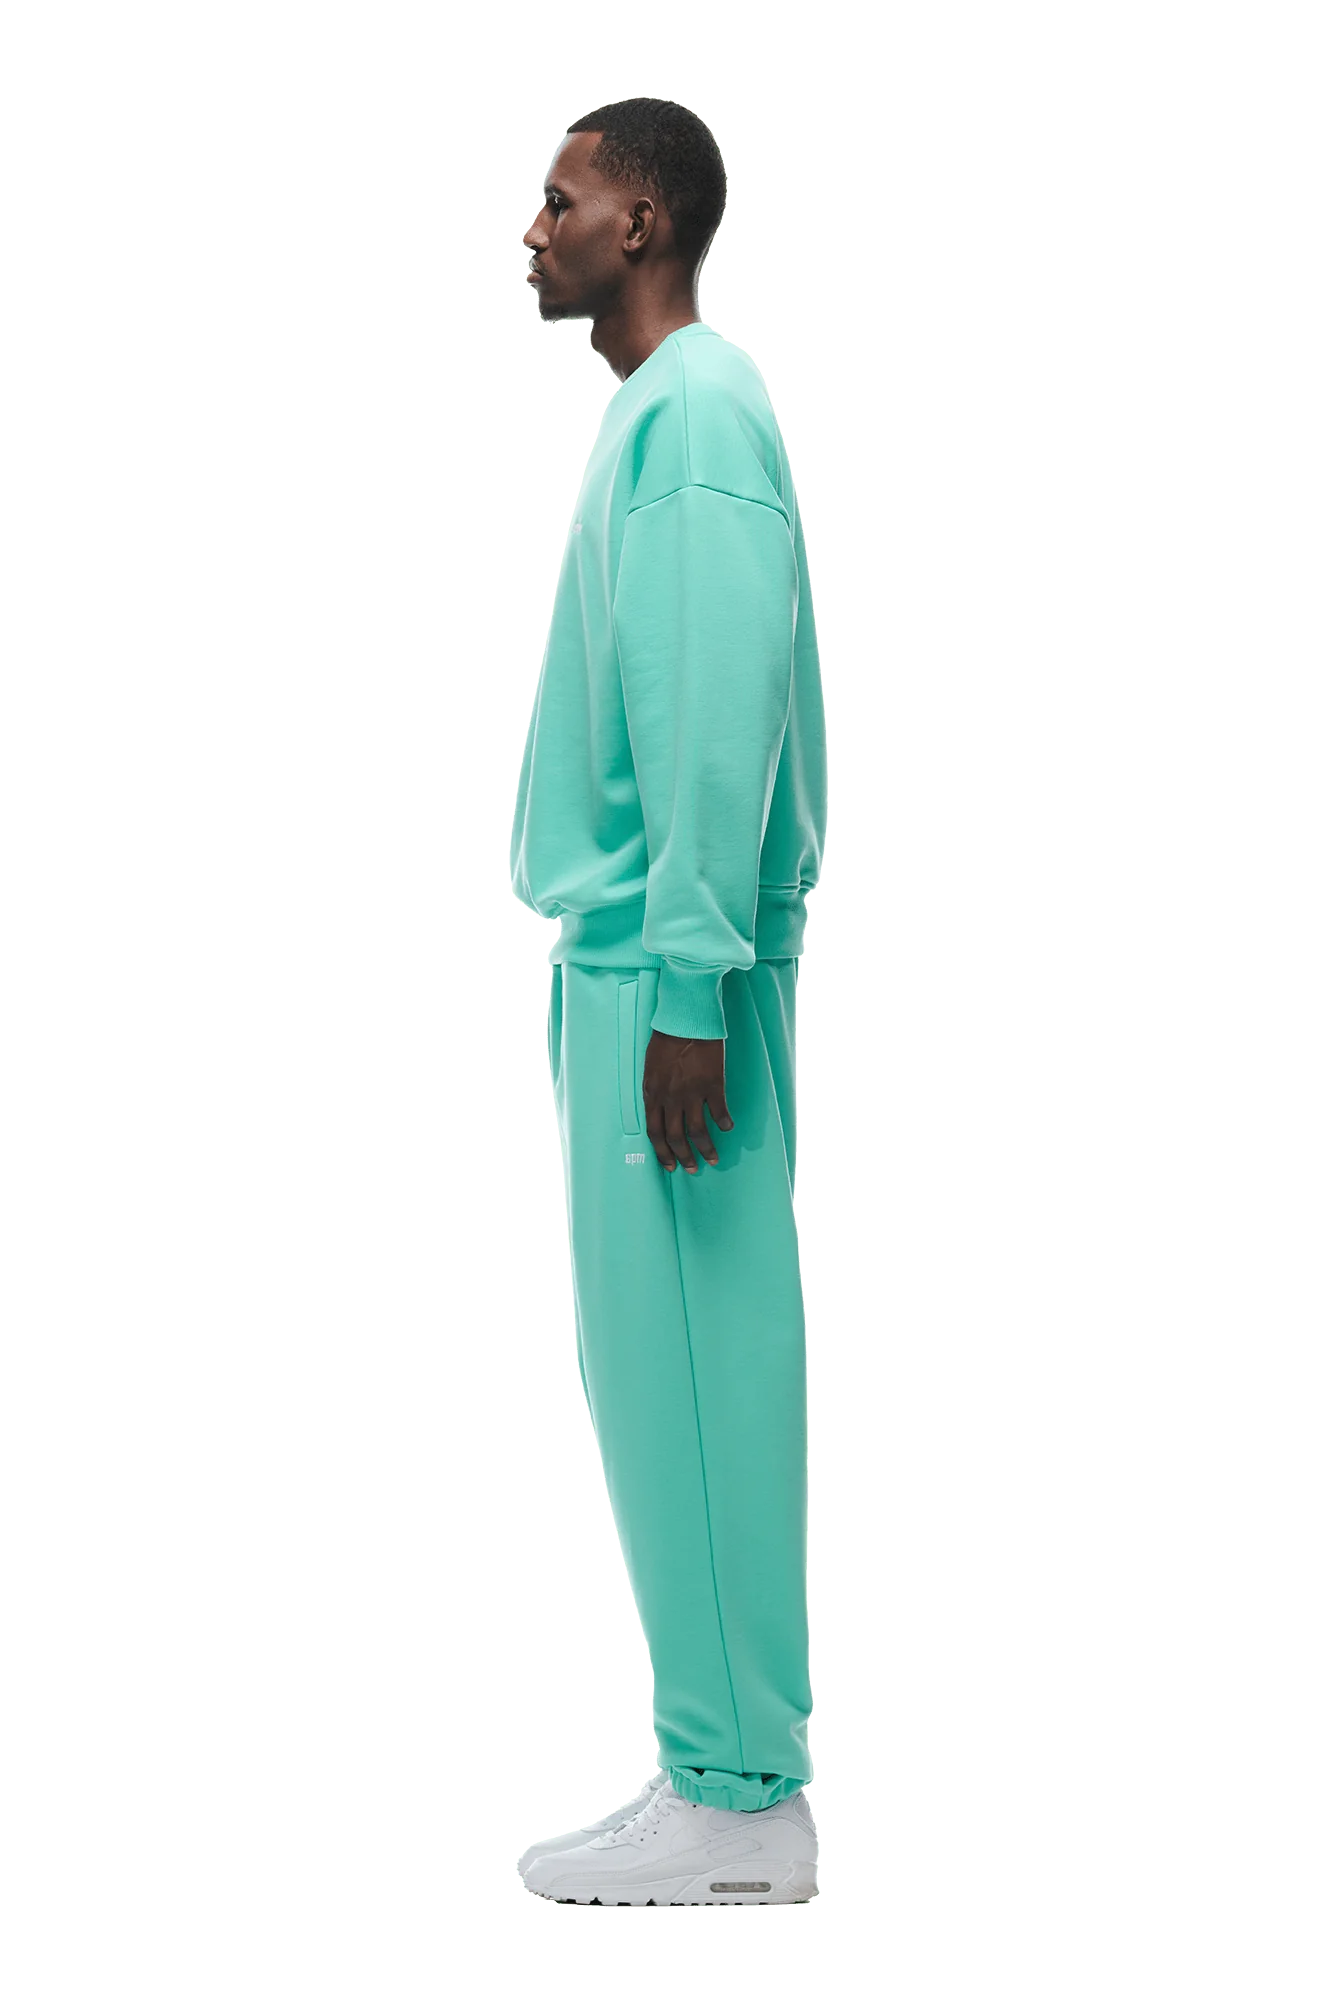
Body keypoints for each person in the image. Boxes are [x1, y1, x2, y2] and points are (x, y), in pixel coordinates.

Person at [506, 97, 829, 1908]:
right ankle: (714, 1767)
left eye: (560, 199)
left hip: (664, 972)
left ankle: (741, 1803)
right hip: (641, 963)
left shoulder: (697, 414)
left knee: (699, 1379)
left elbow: (717, 703)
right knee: (661, 1385)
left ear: (642, 222)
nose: (535, 227)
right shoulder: (659, 417)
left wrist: (692, 985)